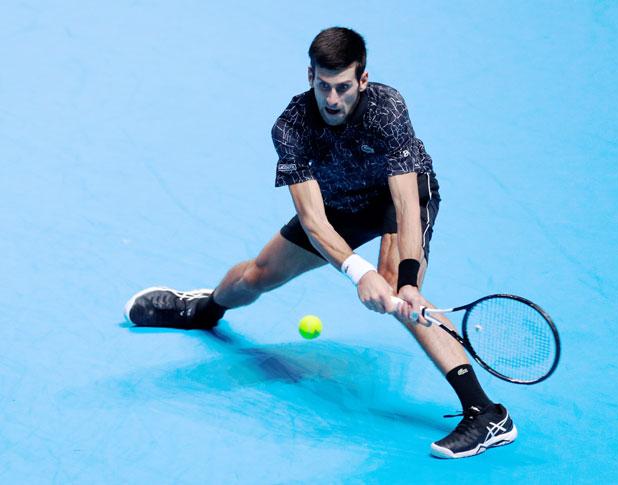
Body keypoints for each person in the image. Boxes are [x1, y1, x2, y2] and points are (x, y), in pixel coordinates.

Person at [124, 27, 517, 459]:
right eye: (323, 86)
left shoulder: (388, 109)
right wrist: (356, 269)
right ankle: (204, 309)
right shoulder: (291, 127)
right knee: (259, 274)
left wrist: (405, 280)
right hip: (337, 206)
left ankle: (486, 413)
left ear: (362, 80)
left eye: (343, 87)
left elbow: (406, 203)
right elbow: (313, 220)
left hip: (394, 198)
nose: (332, 99)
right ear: (309, 75)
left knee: (397, 292)